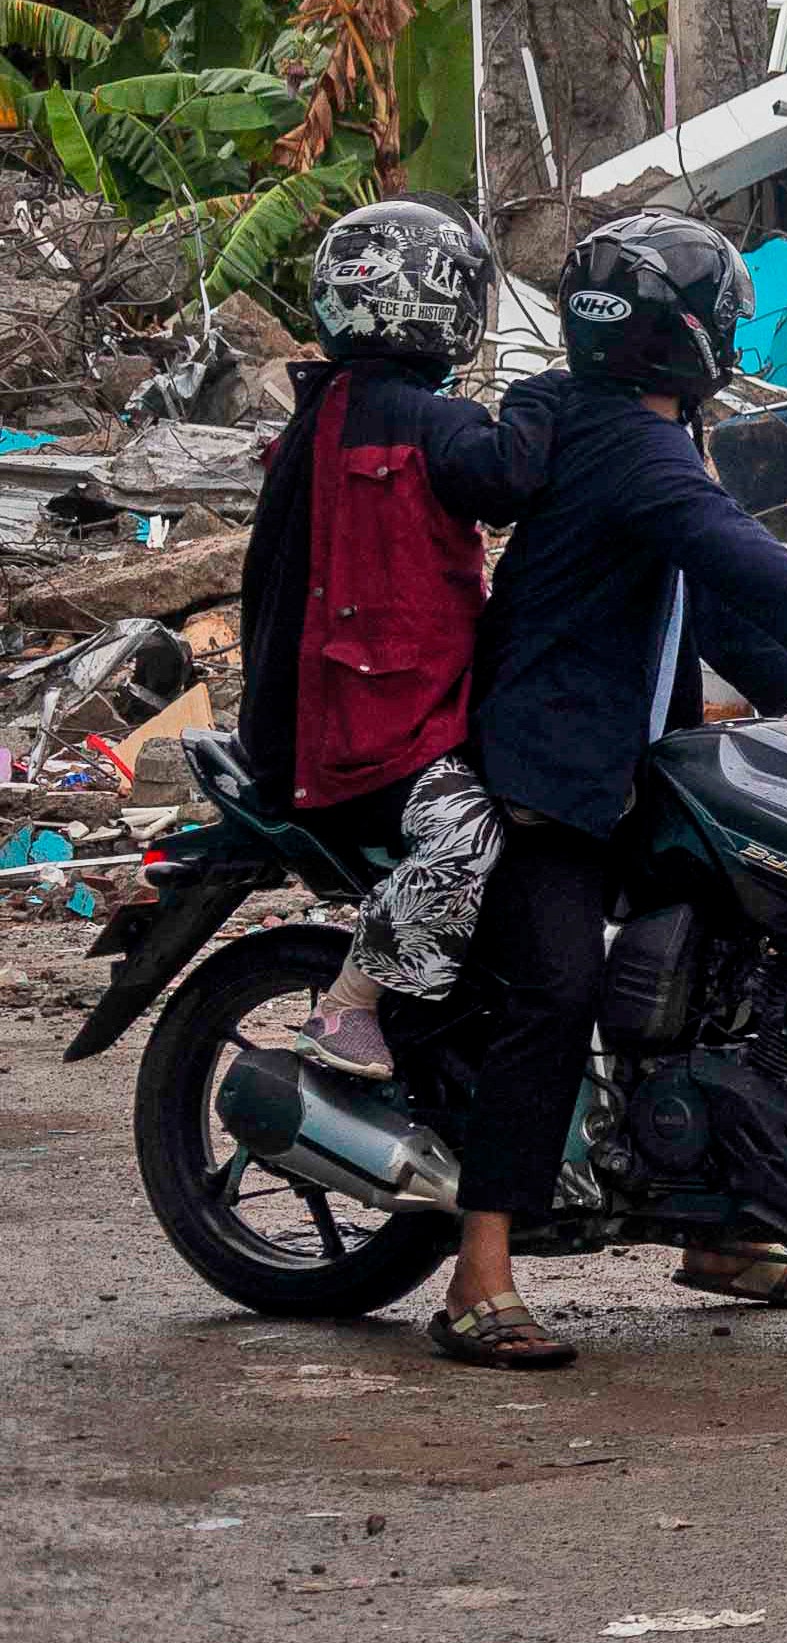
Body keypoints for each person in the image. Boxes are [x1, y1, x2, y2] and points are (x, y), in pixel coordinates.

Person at [424, 212, 787, 1369]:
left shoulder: (643, 430)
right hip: (551, 762)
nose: (737, 328)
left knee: (750, 942)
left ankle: (727, 1227)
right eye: (725, 314)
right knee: (558, 987)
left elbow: (692, 591)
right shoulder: (627, 441)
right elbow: (720, 539)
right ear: (676, 332)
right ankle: (477, 1273)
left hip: (621, 756)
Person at [240, 204, 540, 1081]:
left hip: (343, 714)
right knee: (471, 829)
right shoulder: (416, 419)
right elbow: (511, 479)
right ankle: (351, 1003)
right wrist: (556, 404)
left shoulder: (330, 406)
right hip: (358, 734)